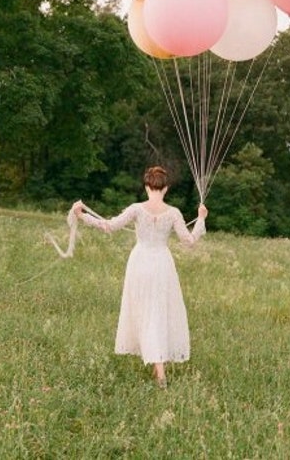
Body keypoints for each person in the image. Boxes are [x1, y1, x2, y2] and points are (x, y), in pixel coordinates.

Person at [71, 165, 208, 388]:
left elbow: (109, 226)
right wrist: (201, 219)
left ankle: (159, 369)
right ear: (166, 188)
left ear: (146, 186)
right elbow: (189, 242)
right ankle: (158, 368)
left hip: (141, 262)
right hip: (162, 263)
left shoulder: (136, 208)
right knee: (158, 311)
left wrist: (82, 215)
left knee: (147, 311)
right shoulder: (173, 213)